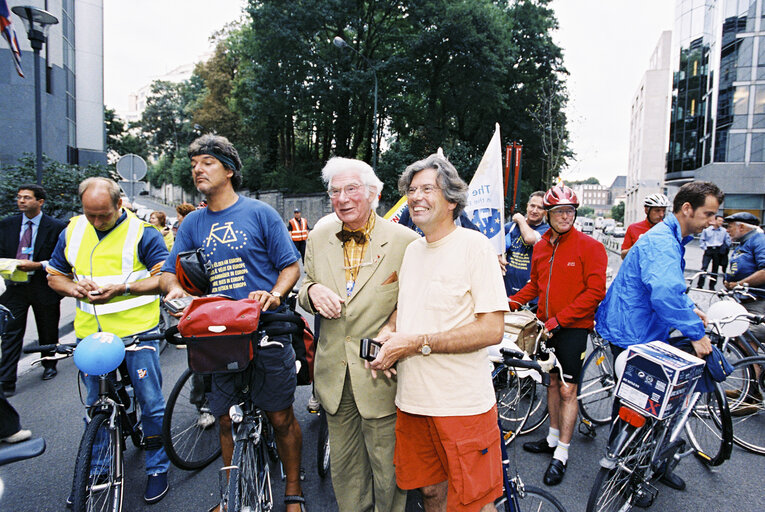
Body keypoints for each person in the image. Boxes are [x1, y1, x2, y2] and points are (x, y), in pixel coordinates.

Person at [159, 134, 305, 512]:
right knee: (225, 420)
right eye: (193, 165)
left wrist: (274, 293)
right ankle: (231, 494)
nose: (197, 170)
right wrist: (176, 290)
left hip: (266, 328)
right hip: (217, 335)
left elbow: (290, 265)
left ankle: (292, 491)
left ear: (229, 169)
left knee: (280, 416)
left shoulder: (259, 213)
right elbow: (168, 272)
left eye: (206, 162)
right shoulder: (191, 222)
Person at [368, 153, 509, 512]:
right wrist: (389, 330)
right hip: (412, 402)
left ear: (451, 200)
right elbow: (410, 306)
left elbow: (492, 329)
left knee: (474, 503)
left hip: (462, 406)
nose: (415, 196)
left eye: (427, 188)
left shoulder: (475, 247)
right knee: (430, 493)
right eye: (411, 189)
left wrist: (417, 343)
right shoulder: (413, 251)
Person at [297, 157, 416, 512]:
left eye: (351, 189)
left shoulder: (405, 241)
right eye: (335, 191)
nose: (342, 198)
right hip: (333, 373)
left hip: (379, 372)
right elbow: (305, 286)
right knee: (346, 469)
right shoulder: (318, 237)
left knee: (386, 468)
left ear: (374, 194)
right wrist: (313, 291)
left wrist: (392, 326)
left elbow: (416, 299)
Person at [46, 177, 171, 505]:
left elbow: (163, 277)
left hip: (137, 332)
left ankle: (157, 466)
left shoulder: (143, 233)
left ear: (120, 205)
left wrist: (123, 289)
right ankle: (99, 466)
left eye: (104, 214)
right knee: (94, 403)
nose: (97, 221)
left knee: (151, 401)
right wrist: (73, 288)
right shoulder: (71, 230)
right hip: (92, 334)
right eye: (90, 214)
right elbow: (54, 275)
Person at [595, 181, 723, 492]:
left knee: (647, 403)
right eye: (708, 214)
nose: (712, 221)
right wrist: (695, 333)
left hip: (638, 327)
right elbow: (664, 291)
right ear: (687, 209)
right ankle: (624, 472)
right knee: (637, 404)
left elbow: (668, 285)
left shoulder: (670, 236)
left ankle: (646, 463)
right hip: (635, 332)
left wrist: (691, 308)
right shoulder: (663, 241)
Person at [508, 184, 607, 486]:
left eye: (570, 211)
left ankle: (562, 452)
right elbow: (535, 287)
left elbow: (595, 293)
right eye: (559, 211)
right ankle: (551, 438)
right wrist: (508, 303)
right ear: (549, 215)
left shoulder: (591, 247)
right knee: (550, 383)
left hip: (573, 328)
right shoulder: (541, 246)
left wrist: (559, 321)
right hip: (546, 326)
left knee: (567, 390)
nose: (566, 216)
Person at [0, 184, 67, 393]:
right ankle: (7, 380)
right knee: (10, 333)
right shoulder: (7, 225)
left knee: (47, 329)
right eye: (19, 197)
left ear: (40, 202)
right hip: (15, 287)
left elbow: (62, 258)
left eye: (27, 198)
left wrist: (38, 265)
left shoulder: (56, 227)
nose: (21, 201)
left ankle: (49, 364)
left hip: (43, 286)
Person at [723, 212, 765, 349]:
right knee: (743, 340)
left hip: (757, 301)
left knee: (748, 341)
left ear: (741, 227)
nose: (727, 230)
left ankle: (753, 370)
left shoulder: (759, 240)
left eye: (729, 227)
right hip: (745, 301)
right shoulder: (744, 242)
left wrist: (738, 284)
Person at [500, 191, 549, 297]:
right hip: (507, 290)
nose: (534, 210)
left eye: (540, 208)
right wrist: (498, 257)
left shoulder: (547, 231)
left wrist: (521, 219)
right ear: (527, 206)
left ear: (545, 212)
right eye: (532, 206)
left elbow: (529, 238)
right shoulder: (511, 227)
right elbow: (493, 247)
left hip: (531, 296)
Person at [620, 193, 670, 259]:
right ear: (647, 210)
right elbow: (623, 256)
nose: (661, 214)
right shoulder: (633, 228)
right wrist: (635, 248)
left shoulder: (667, 229)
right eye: (657, 210)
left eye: (663, 211)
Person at [699, 214, 731, 289]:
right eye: (719, 220)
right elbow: (702, 240)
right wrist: (705, 248)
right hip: (709, 250)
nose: (721, 222)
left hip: (718, 251)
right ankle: (700, 285)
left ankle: (712, 286)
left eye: (722, 221)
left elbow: (727, 241)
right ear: (715, 220)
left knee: (715, 269)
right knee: (704, 267)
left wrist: (726, 247)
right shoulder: (707, 230)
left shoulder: (724, 231)